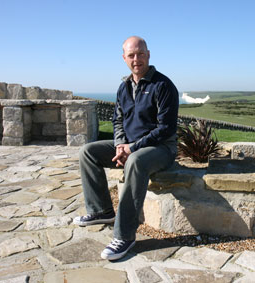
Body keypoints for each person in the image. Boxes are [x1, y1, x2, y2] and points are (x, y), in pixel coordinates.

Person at [73, 36, 179, 261]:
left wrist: (132, 149)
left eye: (140, 54)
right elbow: (118, 120)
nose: (136, 59)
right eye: (131, 55)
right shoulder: (123, 87)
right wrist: (121, 144)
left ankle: (125, 235)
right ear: (124, 58)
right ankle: (102, 211)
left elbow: (165, 129)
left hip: (160, 149)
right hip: (130, 146)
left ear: (148, 55)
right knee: (88, 152)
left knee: (136, 161)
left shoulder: (163, 85)